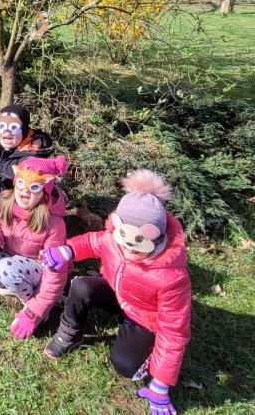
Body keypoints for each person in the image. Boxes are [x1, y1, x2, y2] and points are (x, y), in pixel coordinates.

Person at [41, 169, 191, 415]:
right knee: (81, 286)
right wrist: (68, 250)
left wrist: (161, 382)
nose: (128, 249)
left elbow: (174, 332)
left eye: (138, 244)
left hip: (144, 316)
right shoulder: (114, 239)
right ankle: (70, 334)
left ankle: (143, 348)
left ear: (156, 237)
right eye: (124, 239)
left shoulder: (172, 277)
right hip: (117, 292)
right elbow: (93, 242)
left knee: (125, 365)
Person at [0, 155, 69, 340]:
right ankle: (18, 288)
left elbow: (55, 272)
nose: (24, 191)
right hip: (12, 261)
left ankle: (36, 306)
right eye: (21, 183)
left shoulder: (54, 223)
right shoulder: (5, 204)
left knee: (7, 269)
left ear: (44, 192)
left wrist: (34, 313)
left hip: (38, 268)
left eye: (34, 187)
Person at [0, 104, 54, 196]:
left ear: (24, 130)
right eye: (1, 126)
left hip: (17, 196)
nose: (7, 132)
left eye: (13, 128)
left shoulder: (32, 158)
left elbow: (29, 193)